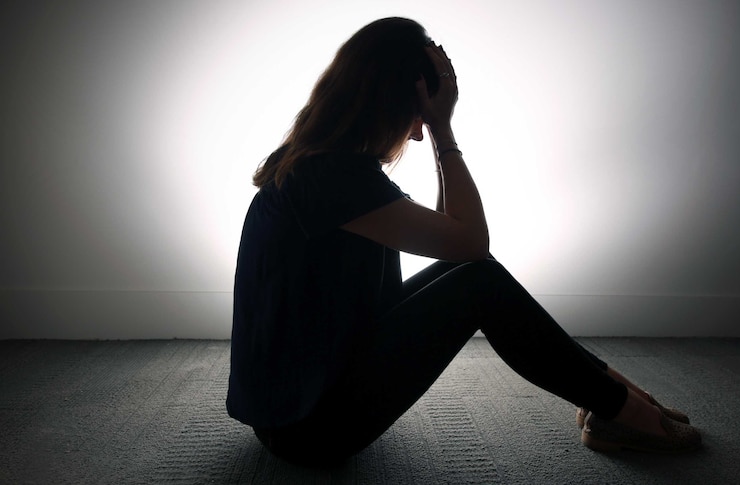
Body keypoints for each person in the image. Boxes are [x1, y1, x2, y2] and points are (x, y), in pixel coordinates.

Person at [226, 17, 701, 467]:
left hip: (301, 405)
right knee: (479, 283)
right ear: (395, 102)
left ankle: (609, 394)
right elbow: (471, 241)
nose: (415, 132)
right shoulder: (331, 178)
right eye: (418, 115)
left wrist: (434, 125)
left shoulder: (324, 166)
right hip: (307, 431)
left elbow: (451, 240)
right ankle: (621, 409)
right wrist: (444, 129)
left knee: (470, 274)